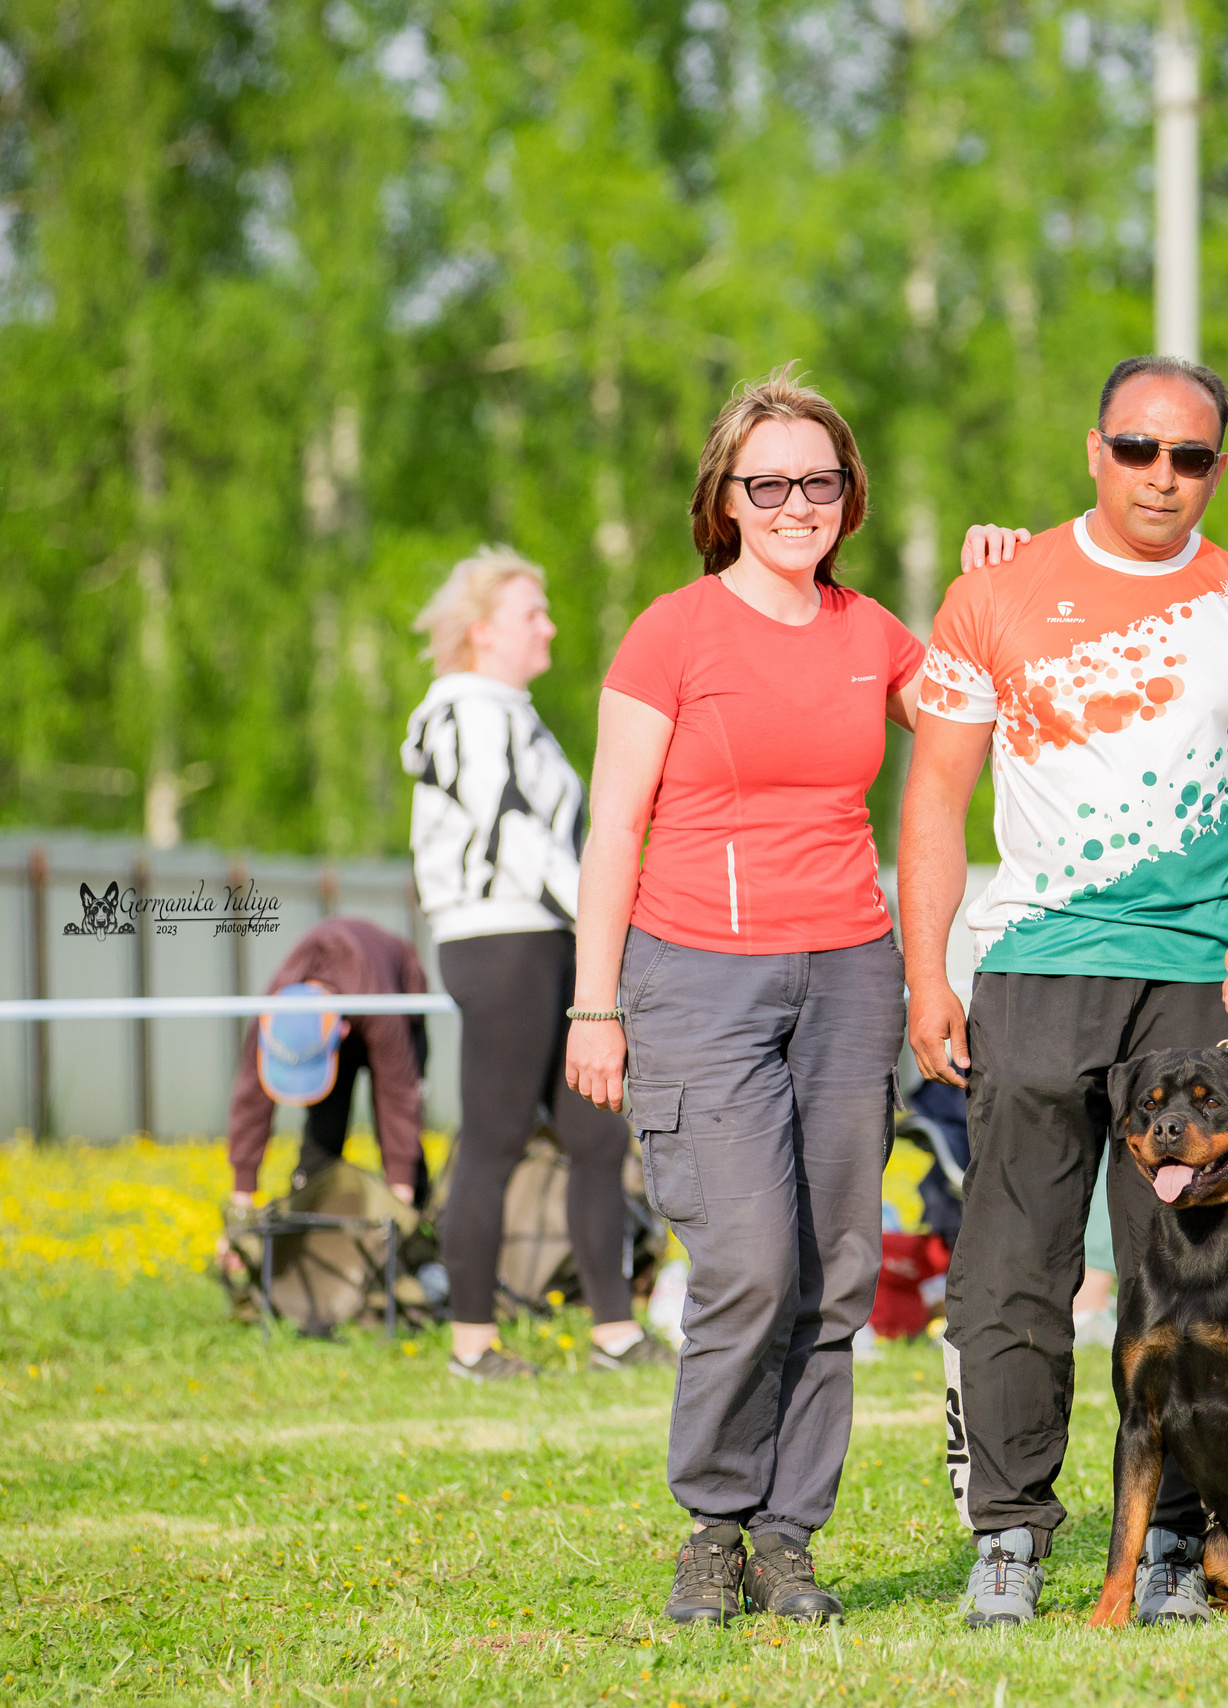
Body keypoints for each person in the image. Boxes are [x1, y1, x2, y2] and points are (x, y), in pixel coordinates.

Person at [907, 355, 1228, 1629]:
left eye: (1190, 457)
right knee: (1011, 1263)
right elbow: (931, 795)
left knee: (1194, 1278)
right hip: (1036, 961)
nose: (1163, 477)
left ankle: (1171, 1548)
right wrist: (925, 967)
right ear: (1094, 449)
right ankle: (1009, 1534)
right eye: (1139, 450)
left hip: (1201, 974)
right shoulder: (995, 592)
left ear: (1217, 464)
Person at [564, 367, 922, 1627]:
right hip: (693, 977)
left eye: (817, 482)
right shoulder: (672, 630)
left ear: (847, 495)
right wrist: (591, 1005)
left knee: (833, 1271)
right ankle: (713, 1522)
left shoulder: (872, 631)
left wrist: (999, 573)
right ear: (725, 496)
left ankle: (787, 1537)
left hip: (848, 971)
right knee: (750, 1262)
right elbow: (612, 827)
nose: (794, 504)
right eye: (767, 483)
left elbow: (992, 702)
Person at [402, 547, 665, 1384]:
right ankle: (472, 1343)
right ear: (481, 632)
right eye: (531, 613)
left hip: (552, 937)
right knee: (494, 1138)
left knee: (595, 1134)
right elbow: (513, 833)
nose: (548, 625)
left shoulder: (513, 712)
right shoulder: (463, 711)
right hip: (500, 940)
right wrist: (612, 911)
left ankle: (615, 1331)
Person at [226, 916, 429, 1210]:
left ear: (342, 1032)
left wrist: (401, 1200)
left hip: (395, 1001)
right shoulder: (274, 1010)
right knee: (323, 1136)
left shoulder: (380, 1007)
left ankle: (419, 1219)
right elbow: (251, 1100)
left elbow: (400, 1097)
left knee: (404, 1148)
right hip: (337, 1021)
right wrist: (241, 1197)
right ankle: (309, 1217)